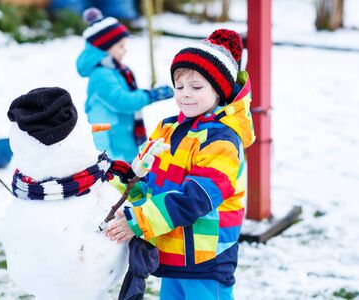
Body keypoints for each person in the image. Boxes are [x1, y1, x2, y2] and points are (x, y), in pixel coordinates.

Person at [107, 28, 256, 299]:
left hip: (208, 261)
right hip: (173, 255)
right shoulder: (167, 128)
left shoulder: (222, 140)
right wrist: (113, 178)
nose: (185, 94)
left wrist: (138, 222)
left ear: (219, 91)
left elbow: (195, 198)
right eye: (180, 86)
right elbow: (142, 178)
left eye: (197, 87)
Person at [76, 7, 174, 163]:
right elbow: (122, 101)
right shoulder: (101, 75)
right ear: (105, 48)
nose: (125, 50)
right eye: (120, 46)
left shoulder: (114, 70)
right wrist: (150, 95)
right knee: (120, 180)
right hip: (111, 143)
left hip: (123, 137)